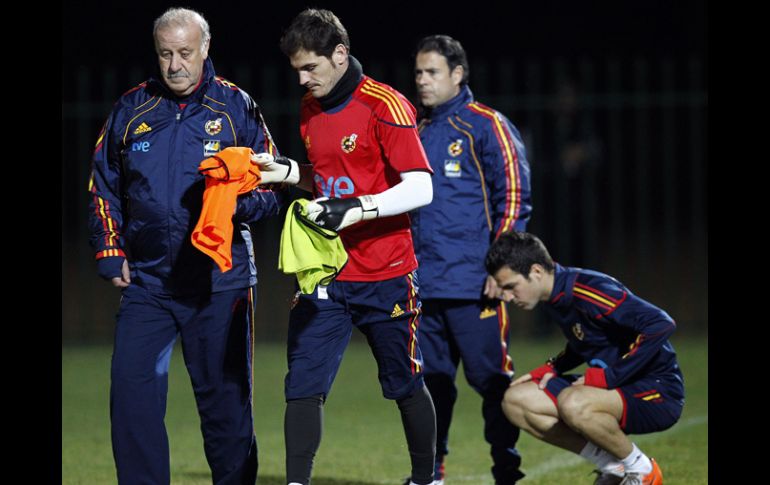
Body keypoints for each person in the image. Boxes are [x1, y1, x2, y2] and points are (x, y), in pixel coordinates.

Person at [87, 7, 283, 484]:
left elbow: (273, 186)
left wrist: (232, 206)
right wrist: (109, 248)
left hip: (220, 282)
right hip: (149, 284)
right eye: (165, 54)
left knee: (225, 408)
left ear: (205, 50)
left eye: (185, 53)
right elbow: (102, 185)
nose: (174, 64)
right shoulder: (131, 109)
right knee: (131, 397)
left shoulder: (236, 107)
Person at [251, 8, 437, 485]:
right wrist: (291, 173)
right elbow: (328, 179)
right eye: (296, 70)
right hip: (326, 272)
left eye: (309, 67)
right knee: (302, 385)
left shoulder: (385, 105)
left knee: (404, 383)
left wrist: (358, 209)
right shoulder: (311, 107)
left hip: (387, 271)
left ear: (339, 54)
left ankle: (425, 479)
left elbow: (420, 187)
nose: (302, 79)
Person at [410, 34, 531, 484]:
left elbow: (515, 196)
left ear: (458, 75)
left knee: (492, 382)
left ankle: (507, 472)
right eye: (419, 72)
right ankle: (431, 473)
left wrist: (502, 270)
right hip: (426, 283)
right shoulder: (415, 130)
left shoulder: (485, 125)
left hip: (474, 285)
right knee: (431, 386)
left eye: (432, 72)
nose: (422, 80)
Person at [484, 231, 684, 485]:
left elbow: (660, 324)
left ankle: (642, 470)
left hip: (656, 392)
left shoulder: (589, 290)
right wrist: (553, 367)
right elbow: (588, 339)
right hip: (613, 387)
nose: (507, 297)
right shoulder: (556, 296)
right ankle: (614, 466)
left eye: (510, 287)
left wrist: (609, 376)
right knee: (516, 400)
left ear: (536, 271)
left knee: (572, 402)